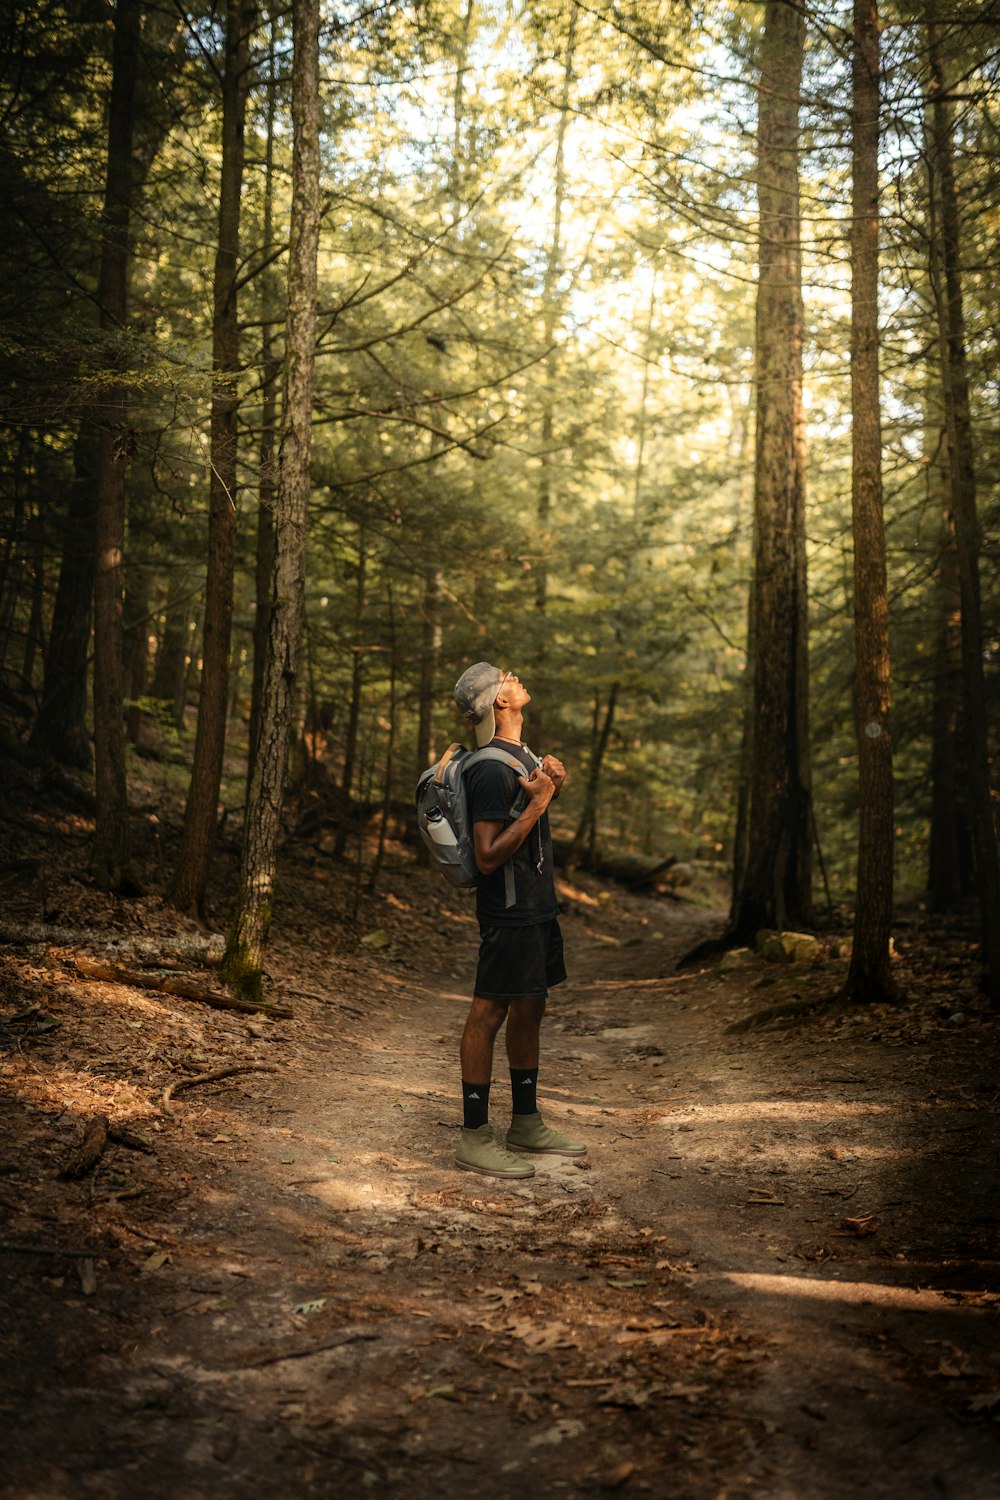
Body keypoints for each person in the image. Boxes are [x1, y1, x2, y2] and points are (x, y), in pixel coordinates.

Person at [452, 661, 586, 1178]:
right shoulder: (487, 766)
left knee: (531, 1007)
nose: (517, 678)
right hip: (507, 910)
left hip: (535, 906)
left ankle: (525, 1122)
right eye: (506, 677)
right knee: (488, 1014)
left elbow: (527, 812)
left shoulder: (520, 755)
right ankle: (473, 1135)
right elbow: (487, 856)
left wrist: (551, 784)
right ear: (498, 703)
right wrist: (541, 802)